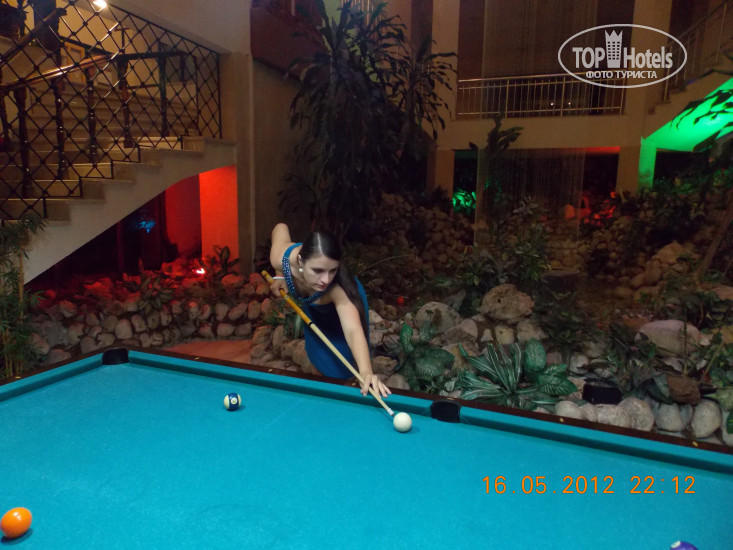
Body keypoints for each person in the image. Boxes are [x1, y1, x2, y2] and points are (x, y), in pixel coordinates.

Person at [268, 223, 391, 398]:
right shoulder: (281, 259)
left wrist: (366, 372)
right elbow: (280, 227)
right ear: (301, 261)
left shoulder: (337, 288)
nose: (325, 280)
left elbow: (353, 330)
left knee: (345, 365)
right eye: (317, 270)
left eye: (332, 270)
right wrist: (279, 274)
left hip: (349, 300)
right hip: (314, 310)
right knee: (318, 352)